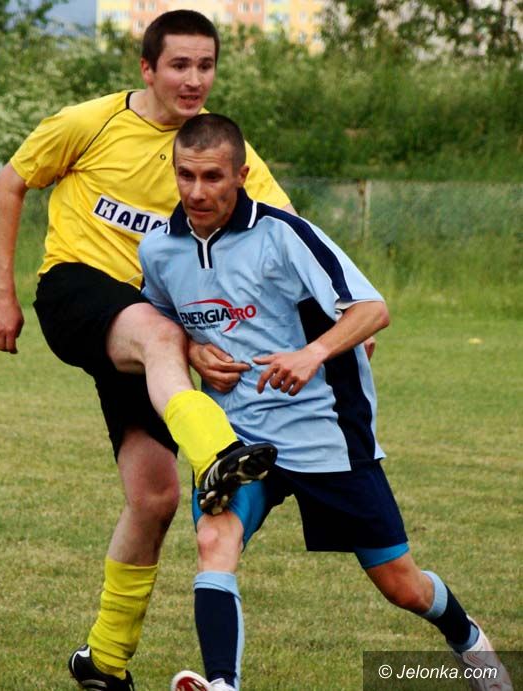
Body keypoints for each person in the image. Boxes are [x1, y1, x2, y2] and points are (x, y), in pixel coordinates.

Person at [138, 113, 513, 691]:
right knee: (215, 541)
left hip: (324, 431)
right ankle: (223, 684)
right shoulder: (160, 249)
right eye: (186, 175)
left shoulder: (284, 235)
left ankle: (470, 642)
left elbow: (371, 309)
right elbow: (158, 327)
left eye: (212, 177)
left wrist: (312, 353)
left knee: (401, 585)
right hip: (235, 439)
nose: (197, 192)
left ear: (241, 175)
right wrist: (191, 349)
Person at [0, 11, 297, 690]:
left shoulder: (219, 149)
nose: (193, 79)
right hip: (75, 292)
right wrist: (0, 292)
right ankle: (218, 452)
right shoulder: (90, 123)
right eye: (179, 65)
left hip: (152, 329)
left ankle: (103, 659)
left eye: (205, 66)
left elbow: (289, 232)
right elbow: (11, 180)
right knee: (163, 335)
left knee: (154, 497)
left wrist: (337, 317)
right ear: (147, 68)